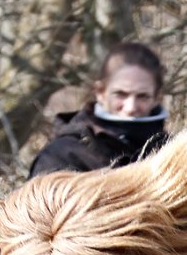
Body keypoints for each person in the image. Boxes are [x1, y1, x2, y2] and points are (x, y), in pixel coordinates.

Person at [29, 41, 170, 177]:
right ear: (100, 92)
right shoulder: (60, 156)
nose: (130, 108)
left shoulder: (171, 154)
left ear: (157, 98)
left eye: (142, 96)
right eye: (120, 94)